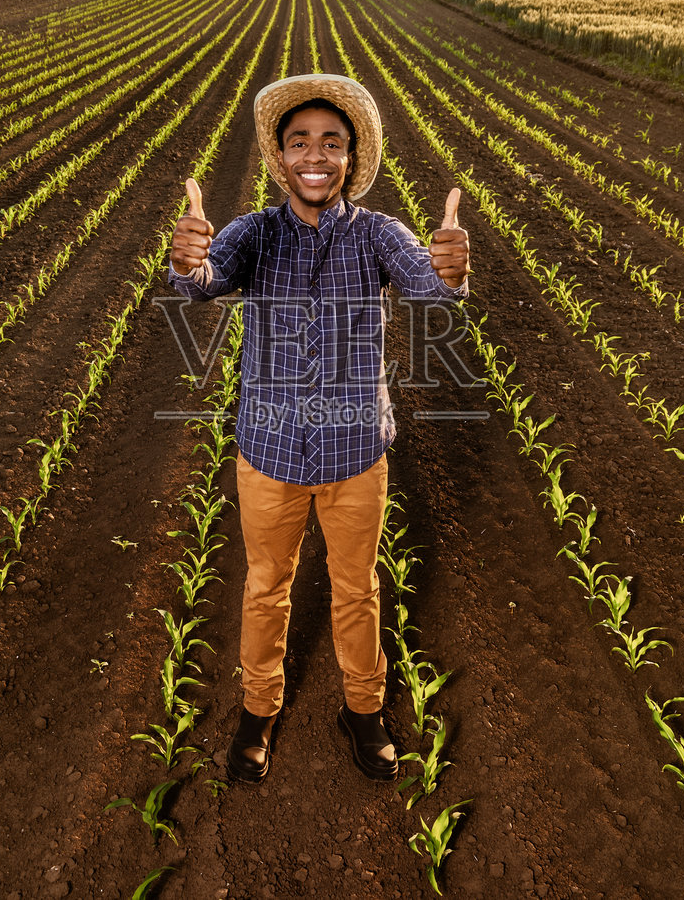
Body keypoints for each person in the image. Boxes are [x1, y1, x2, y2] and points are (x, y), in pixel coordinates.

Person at [166, 73, 470, 785]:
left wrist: (451, 269)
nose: (315, 154)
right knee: (266, 586)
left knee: (355, 587)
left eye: (331, 141)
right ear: (280, 156)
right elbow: (206, 278)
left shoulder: (379, 235)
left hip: (354, 452)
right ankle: (257, 710)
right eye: (300, 140)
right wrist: (185, 261)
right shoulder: (254, 231)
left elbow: (428, 284)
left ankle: (362, 710)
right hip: (267, 450)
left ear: (348, 158)